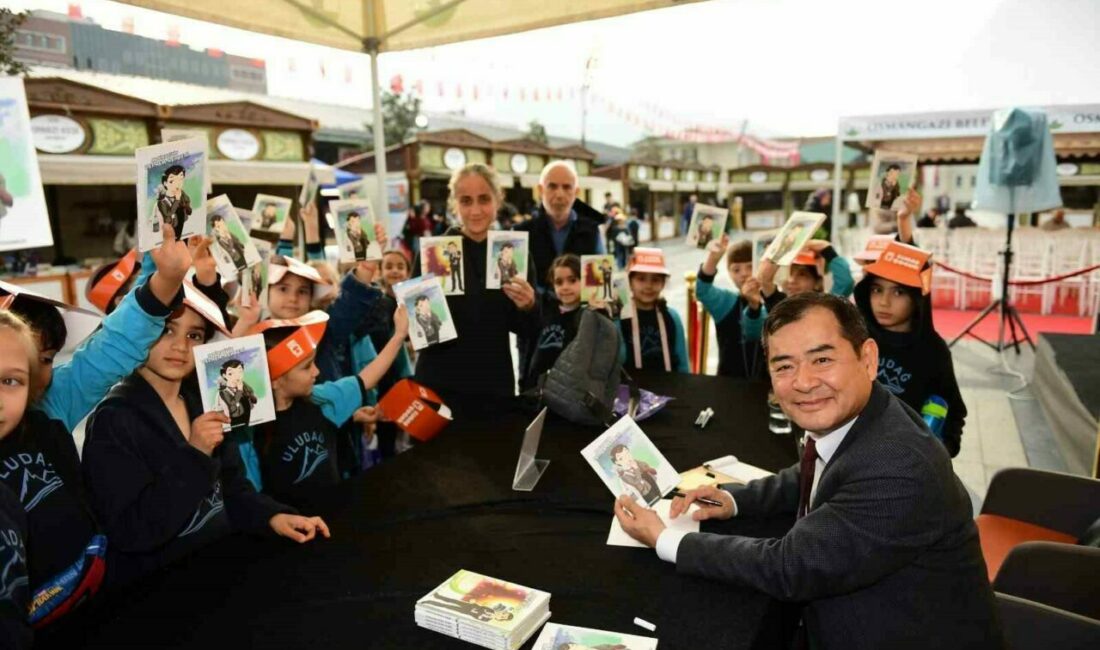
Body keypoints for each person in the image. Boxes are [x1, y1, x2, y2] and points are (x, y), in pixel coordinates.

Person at [613, 293, 1003, 650]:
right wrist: (733, 500)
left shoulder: (898, 465)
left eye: (822, 359)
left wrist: (665, 539)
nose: (803, 383)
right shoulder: (865, 414)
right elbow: (812, 471)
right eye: (785, 366)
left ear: (868, 359)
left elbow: (791, 566)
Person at [83, 296, 330, 589]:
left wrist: (272, 516)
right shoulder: (113, 420)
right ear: (139, 330)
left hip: (219, 569)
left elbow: (232, 486)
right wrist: (196, 453)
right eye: (166, 330)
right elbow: (131, 530)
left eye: (193, 335)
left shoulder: (204, 400)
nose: (180, 346)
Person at [251, 308, 407, 504]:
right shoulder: (250, 432)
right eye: (306, 366)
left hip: (335, 517)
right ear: (274, 380)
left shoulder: (319, 398)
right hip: (290, 528)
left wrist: (399, 336)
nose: (316, 371)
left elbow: (365, 379)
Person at [412, 163, 538, 405]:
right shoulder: (433, 254)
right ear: (454, 204)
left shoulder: (514, 252)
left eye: (484, 199)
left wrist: (529, 306)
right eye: (466, 201)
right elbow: (420, 334)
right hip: (440, 387)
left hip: (492, 387)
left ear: (498, 200)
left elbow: (526, 330)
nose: (476, 210)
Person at [853, 241, 967, 457]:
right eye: (877, 289)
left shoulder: (933, 351)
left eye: (898, 293)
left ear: (916, 299)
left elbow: (953, 412)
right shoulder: (857, 338)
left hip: (906, 459)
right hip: (854, 452)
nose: (884, 302)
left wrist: (940, 453)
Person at [514, 161, 605, 293]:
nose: (559, 194)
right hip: (535, 311)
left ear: (576, 192)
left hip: (579, 312)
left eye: (567, 187)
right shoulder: (520, 233)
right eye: (552, 186)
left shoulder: (591, 231)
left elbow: (598, 286)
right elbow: (515, 285)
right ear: (540, 190)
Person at [695, 236, 766, 378]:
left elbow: (755, 333)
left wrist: (755, 305)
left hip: (766, 384)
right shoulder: (726, 301)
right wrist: (713, 259)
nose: (744, 273)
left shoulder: (772, 300)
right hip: (728, 381)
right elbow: (702, 290)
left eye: (750, 267)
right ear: (728, 273)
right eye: (736, 270)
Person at [620, 248, 689, 373]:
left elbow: (682, 362)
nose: (648, 286)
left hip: (668, 388)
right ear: (629, 282)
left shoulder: (672, 317)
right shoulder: (620, 318)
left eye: (655, 280)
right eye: (641, 279)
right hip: (631, 389)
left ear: (663, 283)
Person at [215, 359, 257, 429]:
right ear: (224, 375)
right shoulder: (224, 392)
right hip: (236, 421)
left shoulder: (244, 386)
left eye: (240, 372)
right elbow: (232, 405)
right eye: (231, 373)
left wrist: (249, 394)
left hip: (248, 418)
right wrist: (239, 390)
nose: (236, 376)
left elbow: (254, 400)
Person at [155, 164, 192, 235]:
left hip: (183, 226)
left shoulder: (182, 194)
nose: (177, 184)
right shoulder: (162, 201)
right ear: (165, 183)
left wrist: (186, 206)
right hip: (171, 230)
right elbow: (168, 213)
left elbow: (188, 204)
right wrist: (177, 199)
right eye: (172, 181)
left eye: (180, 179)